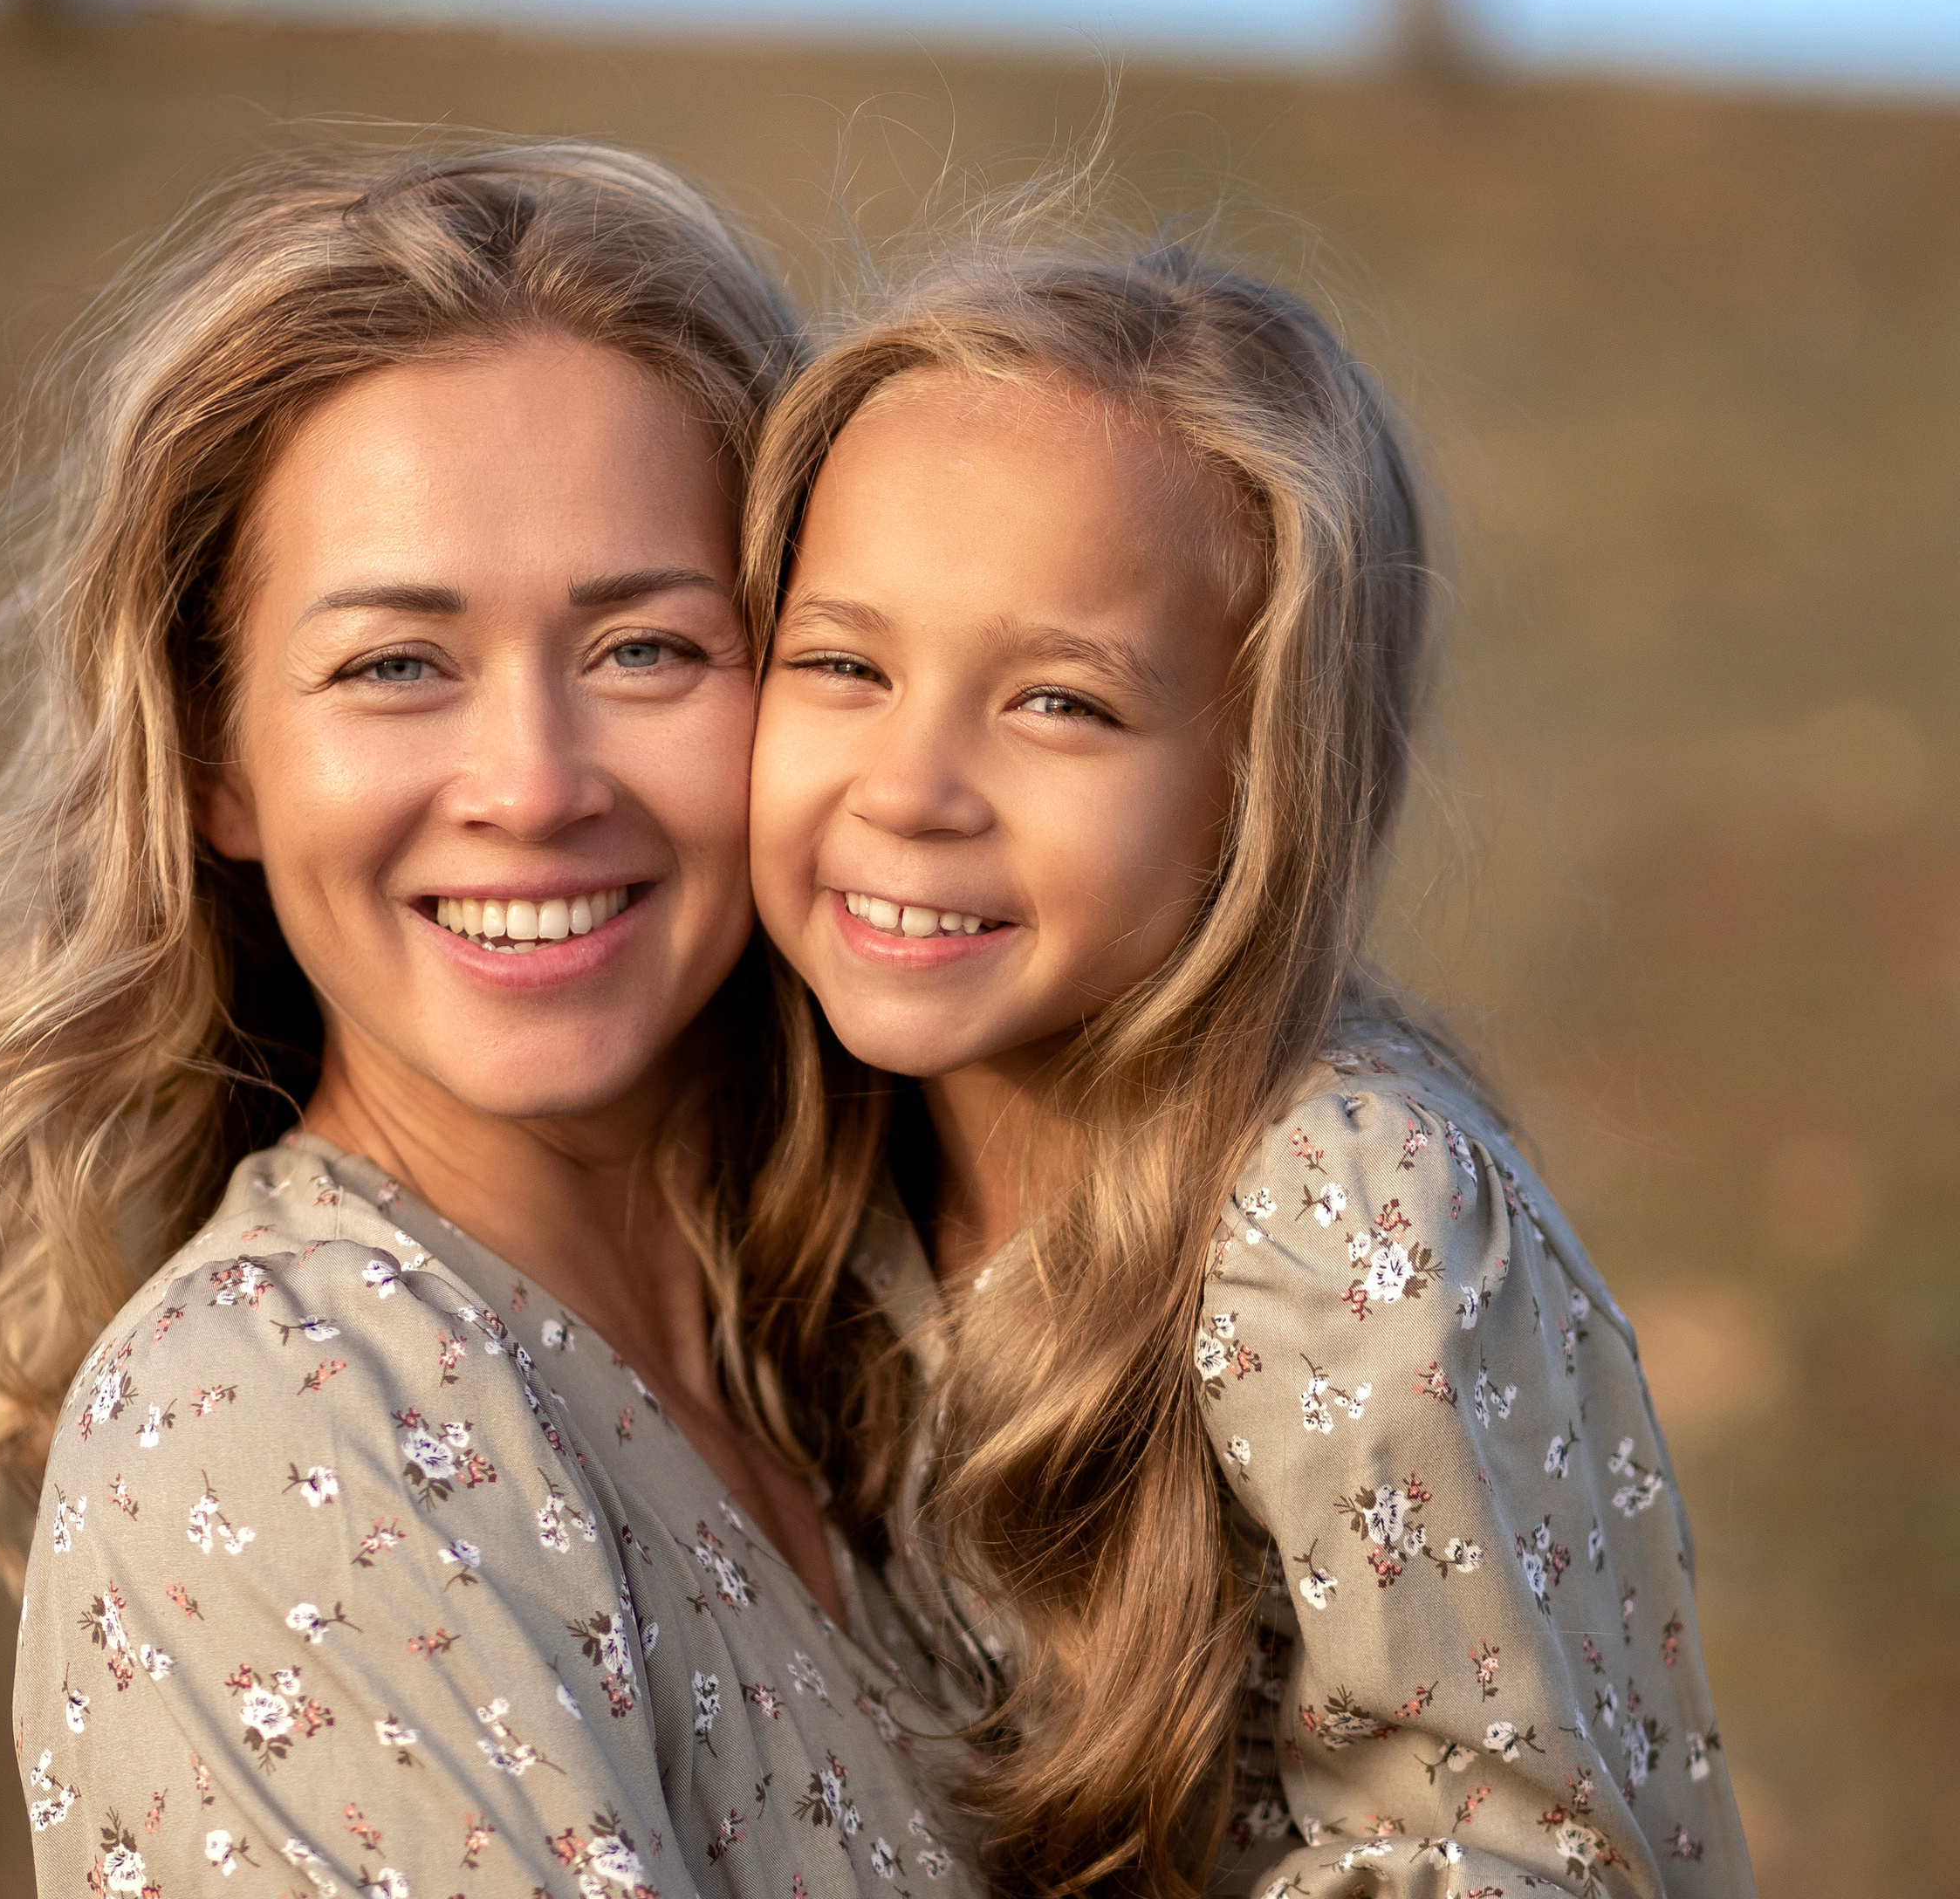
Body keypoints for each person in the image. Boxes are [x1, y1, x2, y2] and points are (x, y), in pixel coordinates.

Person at [0, 142, 971, 1899]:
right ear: (218, 757)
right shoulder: (274, 1413)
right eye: (393, 663)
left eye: (647, 648)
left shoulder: (903, 1333)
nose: (528, 782)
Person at [737, 231, 1756, 1897]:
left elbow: (1513, 1863)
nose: (911, 786)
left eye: (1060, 704)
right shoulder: (813, 1143)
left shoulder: (1339, 1217)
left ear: (1255, 787)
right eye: (844, 664)